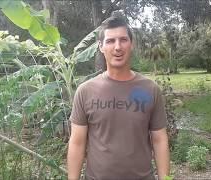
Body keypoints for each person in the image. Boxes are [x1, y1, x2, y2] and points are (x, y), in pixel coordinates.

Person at [67, 16, 170, 180]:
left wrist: (165, 178)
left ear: (132, 44)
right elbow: (77, 143)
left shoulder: (150, 90)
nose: (117, 47)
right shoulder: (85, 91)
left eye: (123, 40)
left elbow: (159, 140)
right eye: (110, 41)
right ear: (100, 46)